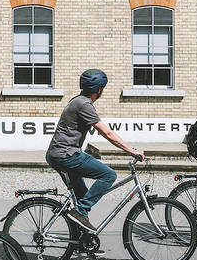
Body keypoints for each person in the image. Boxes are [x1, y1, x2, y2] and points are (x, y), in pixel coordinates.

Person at [45, 69, 145, 233]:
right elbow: (107, 133)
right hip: (66, 155)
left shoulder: (78, 100)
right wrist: (131, 151)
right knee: (109, 175)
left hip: (59, 154)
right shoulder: (84, 104)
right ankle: (79, 212)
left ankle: (81, 240)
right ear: (99, 89)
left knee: (83, 196)